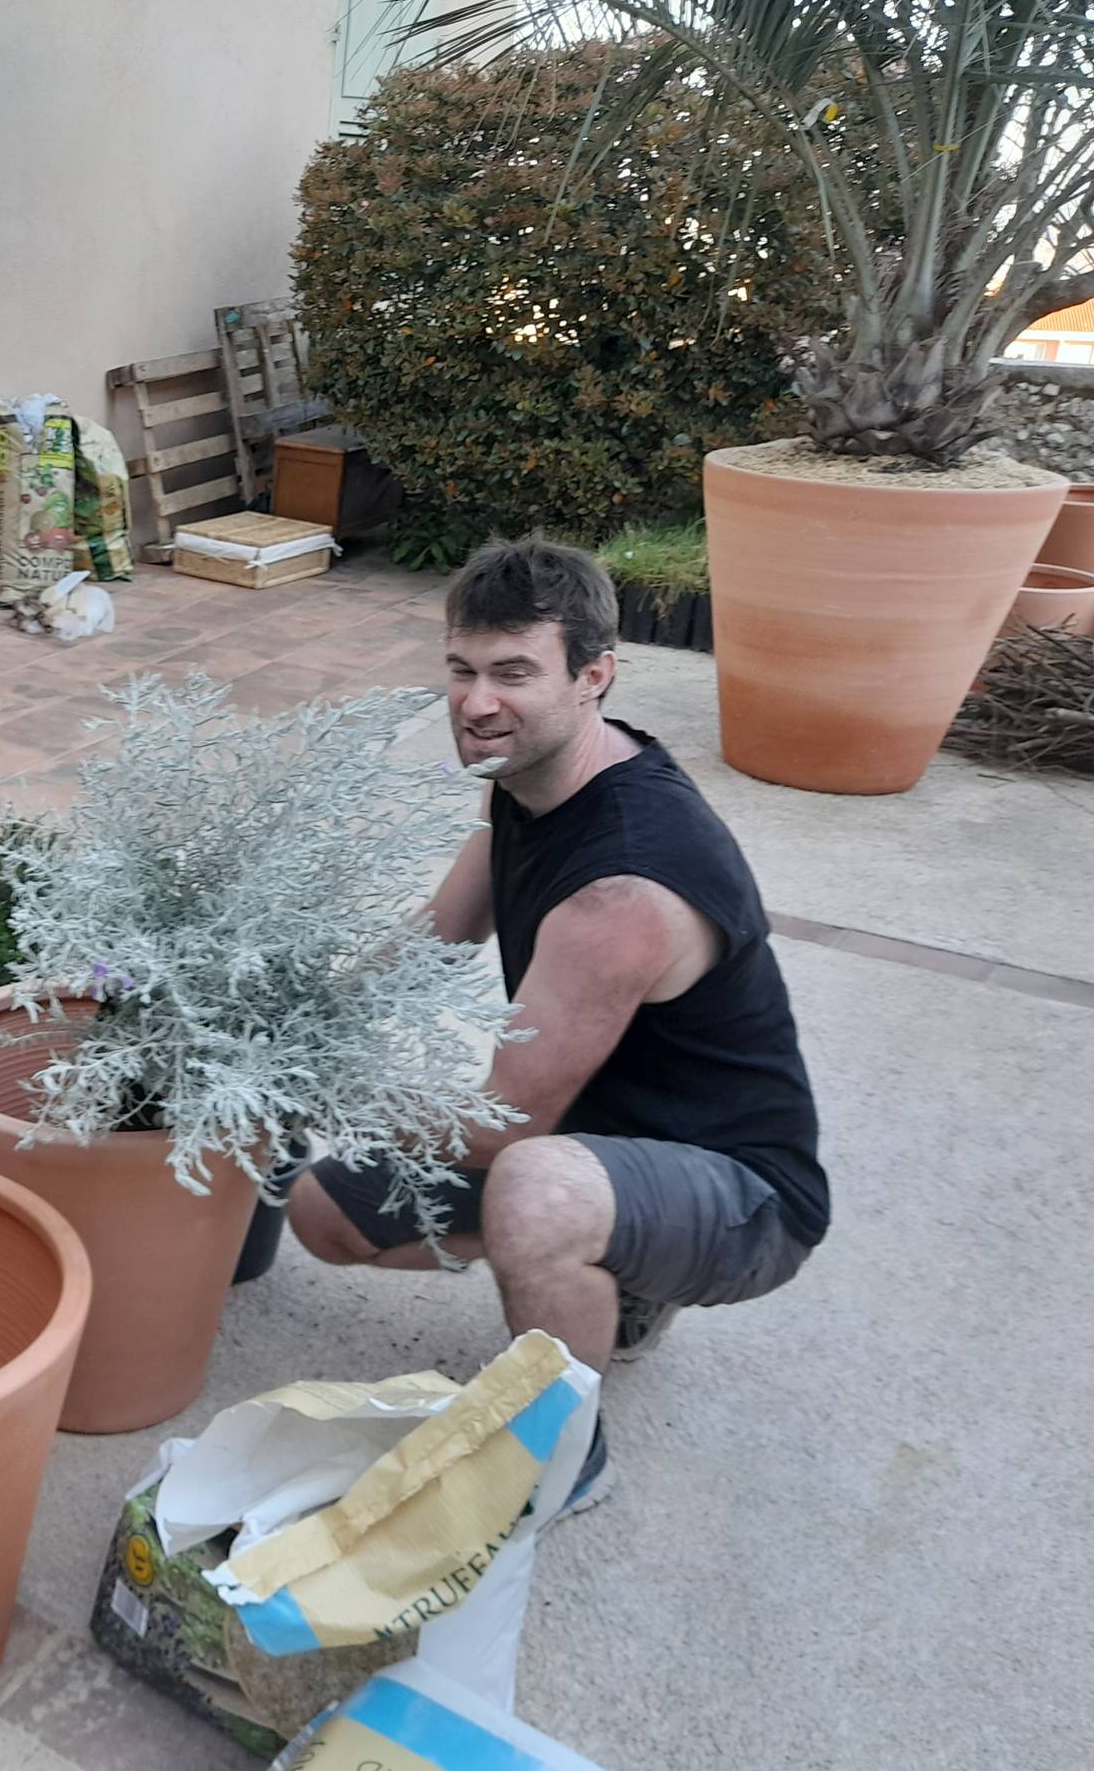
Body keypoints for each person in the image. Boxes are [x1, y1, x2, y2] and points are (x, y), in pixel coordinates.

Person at [286, 536, 826, 1513]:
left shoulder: (621, 890)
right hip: (601, 1133)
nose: (476, 702)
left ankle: (562, 1454)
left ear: (595, 677)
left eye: (513, 673)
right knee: (323, 1214)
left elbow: (503, 1124)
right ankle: (615, 1278)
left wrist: (336, 1088)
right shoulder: (528, 781)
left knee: (531, 1189)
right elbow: (428, 941)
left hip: (746, 1194)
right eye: (461, 669)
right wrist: (290, 1016)